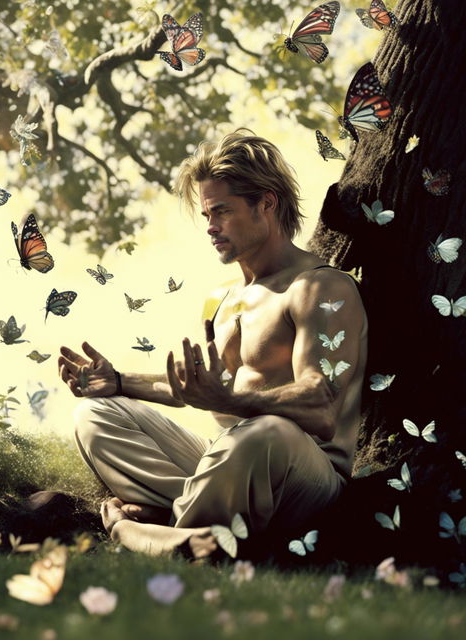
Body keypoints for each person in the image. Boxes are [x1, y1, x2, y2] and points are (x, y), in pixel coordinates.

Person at [58, 130, 367, 559]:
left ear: (266, 203)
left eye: (221, 211)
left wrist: (233, 401)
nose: (210, 227)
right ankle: (194, 524)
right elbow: (201, 388)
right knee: (95, 414)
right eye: (206, 214)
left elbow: (320, 407)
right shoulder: (223, 300)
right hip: (229, 461)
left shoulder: (319, 288)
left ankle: (148, 534)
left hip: (302, 472)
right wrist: (118, 381)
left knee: (265, 433)